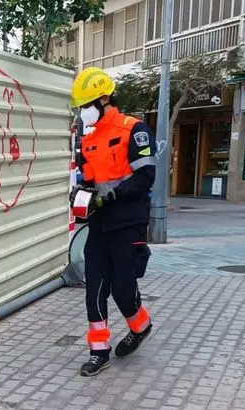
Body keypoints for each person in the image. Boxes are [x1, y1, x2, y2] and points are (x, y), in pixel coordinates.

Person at [69, 67, 155, 377]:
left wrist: (110, 197)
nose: (84, 111)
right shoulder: (89, 141)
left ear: (105, 99)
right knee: (94, 288)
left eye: (87, 104)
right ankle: (99, 351)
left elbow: (146, 176)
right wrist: (81, 195)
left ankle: (140, 326)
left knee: (122, 287)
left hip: (128, 224)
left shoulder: (135, 130)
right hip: (100, 225)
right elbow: (89, 181)